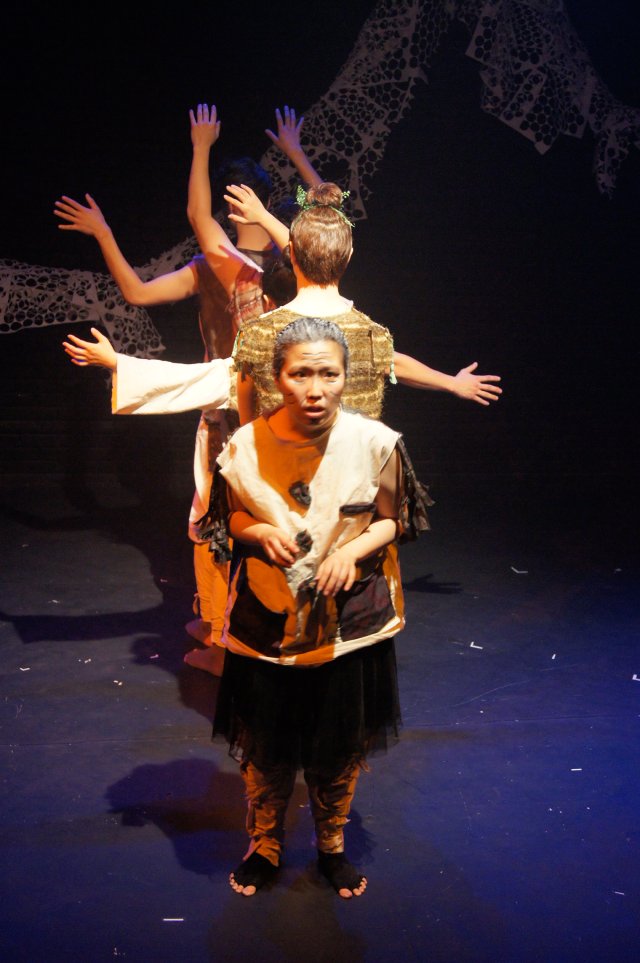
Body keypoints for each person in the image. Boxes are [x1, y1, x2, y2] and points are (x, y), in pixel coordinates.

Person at [54, 105, 321, 675]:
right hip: (232, 402)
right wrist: (296, 157)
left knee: (226, 518)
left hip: (243, 402)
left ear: (242, 204)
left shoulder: (258, 266)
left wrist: (201, 148)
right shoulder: (254, 263)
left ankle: (232, 636)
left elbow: (321, 215)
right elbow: (138, 291)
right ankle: (225, 623)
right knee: (222, 516)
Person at [213, 316, 411, 898]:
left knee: (338, 742)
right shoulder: (245, 446)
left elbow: (393, 519)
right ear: (277, 378)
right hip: (268, 619)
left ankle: (331, 842)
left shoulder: (375, 443)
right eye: (301, 374)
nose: (316, 389)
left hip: (346, 623)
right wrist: (256, 532)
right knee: (266, 743)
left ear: (347, 376)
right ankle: (265, 841)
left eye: (330, 374)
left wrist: (351, 550)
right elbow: (232, 516)